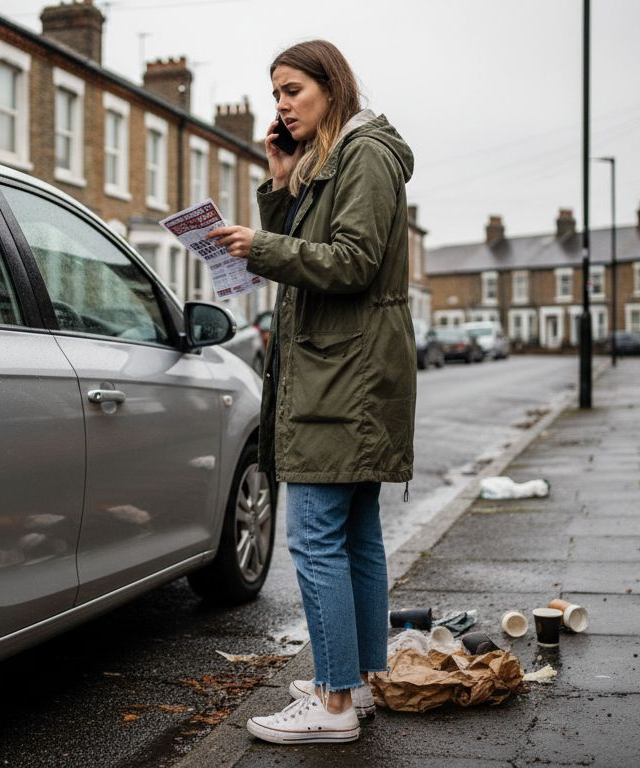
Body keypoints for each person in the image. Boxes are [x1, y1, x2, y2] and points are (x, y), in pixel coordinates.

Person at [206, 39, 416, 745]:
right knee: (355, 534)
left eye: (294, 90)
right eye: (275, 95)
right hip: (343, 369)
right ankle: (354, 685)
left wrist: (256, 247)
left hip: (345, 374)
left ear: (332, 87)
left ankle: (331, 704)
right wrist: (279, 180)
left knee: (315, 535)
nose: (282, 105)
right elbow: (310, 249)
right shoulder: (331, 160)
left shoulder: (367, 155)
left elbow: (350, 261)